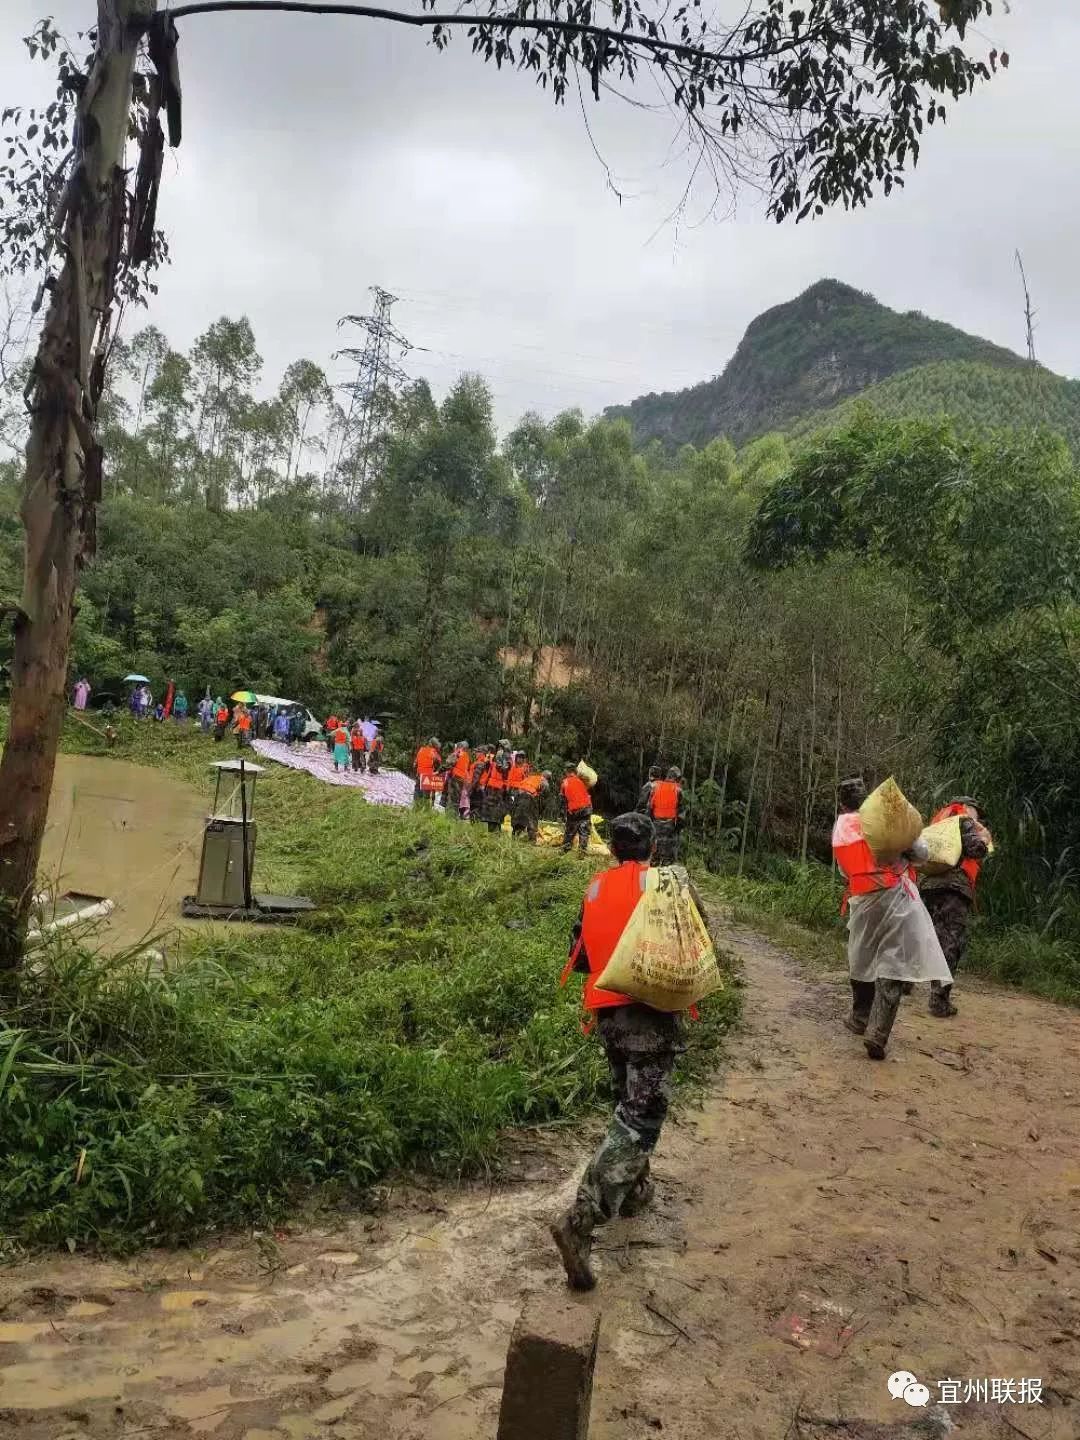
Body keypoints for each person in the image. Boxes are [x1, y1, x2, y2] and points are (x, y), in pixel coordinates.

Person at [551, 812, 712, 1291]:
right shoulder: (666, 884)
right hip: (648, 1014)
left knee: (627, 1099)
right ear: (652, 847)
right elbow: (699, 935)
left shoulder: (595, 886)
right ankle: (581, 1219)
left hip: (608, 1014)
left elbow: (578, 951)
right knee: (643, 1113)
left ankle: (636, 1189)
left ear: (615, 849)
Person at [831, 775, 951, 1060]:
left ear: (842, 802)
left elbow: (843, 872)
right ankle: (878, 1033)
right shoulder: (886, 819)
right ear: (869, 795)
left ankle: (859, 1018)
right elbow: (921, 853)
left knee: (861, 957)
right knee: (893, 962)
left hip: (863, 900)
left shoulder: (842, 828)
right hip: (897, 896)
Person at [919, 797, 992, 1019]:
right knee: (950, 943)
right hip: (953, 889)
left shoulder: (939, 822)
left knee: (927, 938)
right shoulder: (964, 819)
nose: (978, 818)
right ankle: (939, 1000)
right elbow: (975, 849)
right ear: (968, 808)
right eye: (977, 813)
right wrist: (985, 840)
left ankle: (903, 983)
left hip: (929, 886)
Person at [648, 766, 686, 864]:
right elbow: (681, 812)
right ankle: (666, 867)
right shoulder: (678, 790)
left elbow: (650, 806)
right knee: (668, 853)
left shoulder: (656, 786)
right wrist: (679, 827)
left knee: (655, 849)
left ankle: (653, 868)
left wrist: (650, 820)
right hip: (670, 824)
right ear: (677, 778)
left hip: (656, 821)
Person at [560, 765, 593, 855]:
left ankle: (564, 851)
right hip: (587, 808)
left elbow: (563, 801)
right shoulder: (581, 781)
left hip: (575, 810)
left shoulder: (564, 782)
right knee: (584, 832)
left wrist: (563, 814)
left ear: (567, 772)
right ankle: (582, 853)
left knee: (570, 831)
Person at [512, 766, 549, 842]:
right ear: (547, 777)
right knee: (532, 821)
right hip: (529, 799)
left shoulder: (530, 777)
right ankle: (532, 842)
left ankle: (514, 839)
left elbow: (519, 788)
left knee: (518, 819)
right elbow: (544, 799)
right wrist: (540, 811)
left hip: (519, 797)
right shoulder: (544, 781)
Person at [444, 741, 472, 817]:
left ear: (461, 747)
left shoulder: (458, 753)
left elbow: (449, 762)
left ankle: (449, 816)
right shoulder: (467, 756)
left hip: (454, 778)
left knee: (451, 798)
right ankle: (454, 816)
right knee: (457, 799)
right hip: (461, 780)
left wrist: (439, 771)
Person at [414, 736, 442, 804]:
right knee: (426, 797)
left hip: (419, 774)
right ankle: (425, 812)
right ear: (435, 745)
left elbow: (414, 764)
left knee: (417, 794)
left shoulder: (421, 750)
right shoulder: (434, 752)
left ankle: (415, 810)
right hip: (427, 776)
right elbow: (439, 762)